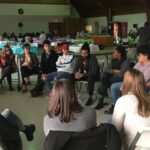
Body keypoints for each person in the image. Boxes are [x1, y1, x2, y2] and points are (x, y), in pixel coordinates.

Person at [112, 69, 150, 149]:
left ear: (126, 83)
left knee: (111, 124)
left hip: (134, 146)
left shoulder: (123, 101)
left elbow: (115, 130)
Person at [107, 44, 150, 114]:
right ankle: (114, 105)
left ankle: (126, 108)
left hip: (142, 85)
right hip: (132, 82)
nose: (137, 57)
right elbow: (130, 73)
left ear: (145, 56)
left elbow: (141, 79)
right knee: (114, 87)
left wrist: (126, 85)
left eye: (139, 55)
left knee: (126, 89)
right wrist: (125, 83)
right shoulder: (139, 63)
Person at [98, 45, 130, 110]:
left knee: (103, 80)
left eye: (115, 51)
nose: (113, 53)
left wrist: (112, 72)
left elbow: (122, 74)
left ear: (119, 54)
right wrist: (115, 70)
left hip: (122, 79)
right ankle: (103, 99)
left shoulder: (126, 61)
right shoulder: (113, 60)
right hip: (112, 77)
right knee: (104, 76)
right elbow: (106, 69)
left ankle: (101, 99)